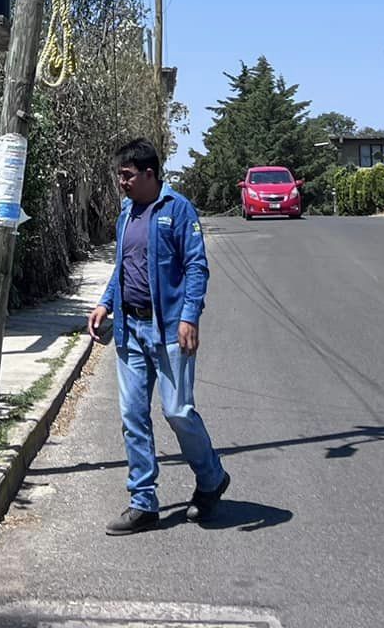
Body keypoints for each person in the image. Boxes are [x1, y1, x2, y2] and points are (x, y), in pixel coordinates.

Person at [87, 137, 230, 534]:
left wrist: (189, 317)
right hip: (131, 331)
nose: (122, 183)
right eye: (119, 176)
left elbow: (197, 267)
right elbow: (123, 268)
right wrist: (105, 303)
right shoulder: (126, 214)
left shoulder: (178, 210)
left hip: (168, 330)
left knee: (177, 410)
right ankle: (143, 502)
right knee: (133, 415)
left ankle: (211, 478)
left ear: (150, 174)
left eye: (127, 175)